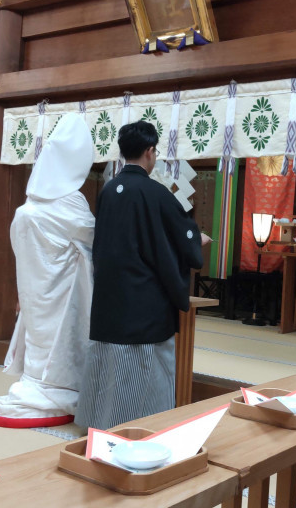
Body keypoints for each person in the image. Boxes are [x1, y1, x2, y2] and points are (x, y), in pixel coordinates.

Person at [75, 120, 208, 430]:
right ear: (149, 151)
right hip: (144, 300)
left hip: (110, 295)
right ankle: (141, 426)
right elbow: (180, 236)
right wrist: (195, 240)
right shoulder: (155, 192)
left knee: (109, 362)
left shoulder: (109, 191)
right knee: (144, 369)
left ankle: (101, 421)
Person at [0, 113, 95, 428]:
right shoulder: (71, 204)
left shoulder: (28, 206)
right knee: (61, 341)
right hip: (62, 292)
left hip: (34, 288)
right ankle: (56, 391)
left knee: (39, 337)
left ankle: (35, 383)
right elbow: (93, 236)